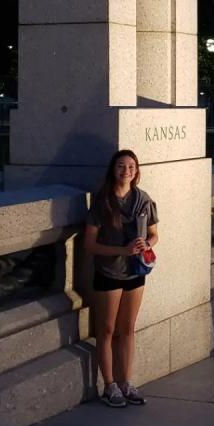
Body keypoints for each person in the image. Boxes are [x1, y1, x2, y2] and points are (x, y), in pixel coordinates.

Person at [84, 149, 159, 408]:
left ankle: (127, 381)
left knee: (128, 328)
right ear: (112, 170)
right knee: (106, 330)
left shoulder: (143, 199)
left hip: (135, 271)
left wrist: (146, 244)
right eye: (120, 166)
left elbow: (154, 233)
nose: (126, 170)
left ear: (137, 170)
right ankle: (109, 385)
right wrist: (121, 251)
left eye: (131, 166)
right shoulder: (102, 201)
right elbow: (90, 244)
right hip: (108, 271)